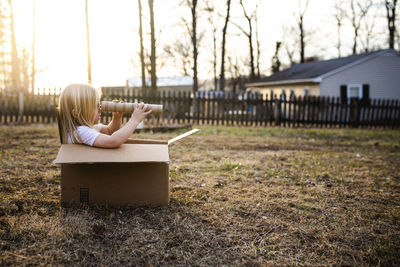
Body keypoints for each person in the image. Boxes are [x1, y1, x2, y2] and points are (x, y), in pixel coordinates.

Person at [58, 83, 152, 148]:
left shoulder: (86, 129)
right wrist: (134, 120)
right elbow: (113, 141)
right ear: (76, 113)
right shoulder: (80, 132)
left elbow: (109, 131)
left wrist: (116, 118)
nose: (100, 109)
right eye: (95, 107)